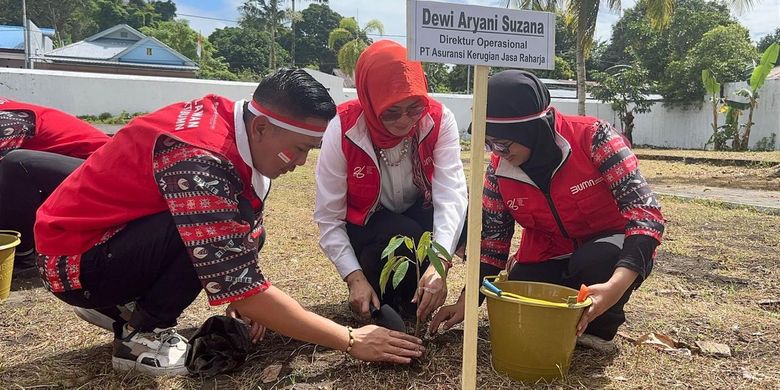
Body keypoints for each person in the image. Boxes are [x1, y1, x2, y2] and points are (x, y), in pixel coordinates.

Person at [34, 69, 424, 377]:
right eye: (301, 148)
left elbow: (242, 245)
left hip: (111, 239)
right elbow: (240, 286)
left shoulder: (237, 127)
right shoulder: (200, 159)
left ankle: (124, 305)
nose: (302, 162)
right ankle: (138, 337)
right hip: (75, 262)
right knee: (202, 234)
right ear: (260, 128)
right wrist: (351, 340)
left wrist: (251, 296)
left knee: (247, 230)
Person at [430, 70, 665, 348]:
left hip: (607, 249)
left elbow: (645, 214)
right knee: (519, 290)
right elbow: (492, 245)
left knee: (597, 260)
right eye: (488, 143)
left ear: (532, 131)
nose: (496, 152)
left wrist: (614, 288)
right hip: (547, 253)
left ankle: (600, 327)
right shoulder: (497, 172)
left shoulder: (594, 138)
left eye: (502, 143)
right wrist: (466, 303)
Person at [314, 40, 468, 323]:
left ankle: (432, 295)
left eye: (414, 108)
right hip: (369, 225)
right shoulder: (343, 128)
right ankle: (387, 290)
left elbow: (451, 194)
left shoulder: (437, 118)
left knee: (471, 219)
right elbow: (329, 218)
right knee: (402, 235)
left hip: (419, 211)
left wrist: (440, 264)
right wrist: (354, 278)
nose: (405, 121)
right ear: (370, 101)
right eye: (391, 112)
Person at [0, 98, 109, 274]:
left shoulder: (8, 122)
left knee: (15, 165)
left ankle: (23, 257)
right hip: (74, 173)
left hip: (105, 178)